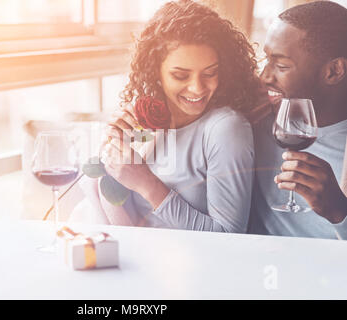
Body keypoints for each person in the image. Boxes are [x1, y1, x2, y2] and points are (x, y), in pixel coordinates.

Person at [80, 0, 262, 232]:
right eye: (180, 75)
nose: (197, 88)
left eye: (210, 73)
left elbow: (229, 235)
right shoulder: (145, 120)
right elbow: (109, 199)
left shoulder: (225, 128)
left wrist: (147, 184)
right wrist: (113, 148)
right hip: (134, 256)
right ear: (156, 72)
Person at [248, 1, 347, 239]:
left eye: (281, 65)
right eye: (267, 60)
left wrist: (340, 212)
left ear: (333, 71)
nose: (265, 77)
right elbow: (156, 134)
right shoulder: (257, 116)